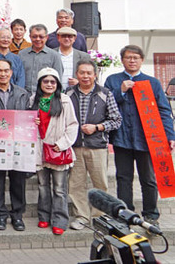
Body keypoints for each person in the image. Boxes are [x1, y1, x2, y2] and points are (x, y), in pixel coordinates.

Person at [104, 45, 175, 225]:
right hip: (122, 138)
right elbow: (105, 105)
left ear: (141, 60)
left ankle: (151, 214)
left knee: (148, 178)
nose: (132, 61)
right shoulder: (113, 80)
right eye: (128, 57)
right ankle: (126, 213)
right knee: (123, 178)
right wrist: (121, 91)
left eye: (135, 57)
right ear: (122, 60)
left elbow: (164, 111)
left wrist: (170, 136)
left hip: (147, 139)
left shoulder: (152, 82)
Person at [66, 59, 122, 230]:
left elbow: (116, 120)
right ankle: (81, 216)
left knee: (100, 183)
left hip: (97, 146)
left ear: (95, 75)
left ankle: (99, 217)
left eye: (89, 73)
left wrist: (97, 127)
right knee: (76, 184)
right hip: (75, 146)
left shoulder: (105, 93)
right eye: (82, 72)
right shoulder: (68, 93)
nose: (85, 76)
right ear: (77, 74)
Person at [31, 67, 78, 236]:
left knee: (59, 188)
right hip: (40, 148)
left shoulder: (64, 100)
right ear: (40, 83)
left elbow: (72, 124)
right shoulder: (33, 100)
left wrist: (63, 143)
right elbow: (26, 123)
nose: (49, 84)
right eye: (46, 81)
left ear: (57, 84)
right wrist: (32, 122)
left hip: (57, 148)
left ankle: (59, 220)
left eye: (53, 82)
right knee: (43, 186)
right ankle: (44, 216)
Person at [0, 58, 30, 232]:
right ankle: (0, 215)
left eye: (6, 71)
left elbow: (28, 114)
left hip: (18, 143)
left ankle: (17, 215)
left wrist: (33, 121)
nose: (3, 74)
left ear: (11, 73)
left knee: (18, 179)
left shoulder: (22, 93)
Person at [18, 24, 63, 93]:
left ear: (46, 37)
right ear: (30, 37)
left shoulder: (54, 56)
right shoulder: (21, 54)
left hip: (45, 96)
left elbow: (58, 78)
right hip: (25, 95)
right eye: (34, 37)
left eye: (41, 37)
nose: (38, 39)